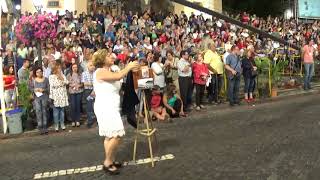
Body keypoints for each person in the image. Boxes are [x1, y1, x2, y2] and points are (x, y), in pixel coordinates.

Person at [92, 49, 139, 175]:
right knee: (117, 135)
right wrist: (128, 67)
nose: (112, 56)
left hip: (112, 106)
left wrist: (131, 73)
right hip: (105, 107)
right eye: (108, 56)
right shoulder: (100, 71)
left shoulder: (111, 70)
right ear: (102, 60)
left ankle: (111, 160)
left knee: (110, 136)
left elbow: (120, 81)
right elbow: (118, 77)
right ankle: (107, 162)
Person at [49, 63, 69, 132]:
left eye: (60, 68)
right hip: (56, 95)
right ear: (55, 69)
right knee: (56, 112)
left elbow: (67, 82)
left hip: (62, 94)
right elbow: (53, 85)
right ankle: (56, 125)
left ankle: (62, 124)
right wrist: (60, 81)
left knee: (62, 111)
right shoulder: (51, 76)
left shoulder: (63, 75)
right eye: (58, 68)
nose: (60, 70)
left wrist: (62, 79)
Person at [30, 67, 50, 135]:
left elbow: (48, 88)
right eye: (37, 72)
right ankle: (40, 126)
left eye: (40, 71)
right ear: (35, 73)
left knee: (44, 111)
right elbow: (30, 88)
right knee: (38, 111)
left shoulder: (46, 79)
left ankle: (45, 126)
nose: (39, 73)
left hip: (44, 97)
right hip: (37, 98)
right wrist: (35, 89)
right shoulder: (33, 80)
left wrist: (43, 90)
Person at [81, 61, 95, 128]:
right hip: (88, 91)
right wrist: (93, 84)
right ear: (87, 67)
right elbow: (84, 83)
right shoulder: (84, 73)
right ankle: (90, 121)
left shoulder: (95, 73)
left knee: (96, 106)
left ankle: (98, 120)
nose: (92, 67)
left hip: (95, 90)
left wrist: (93, 87)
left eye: (93, 65)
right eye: (91, 65)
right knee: (89, 107)